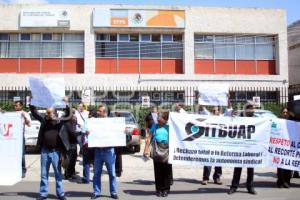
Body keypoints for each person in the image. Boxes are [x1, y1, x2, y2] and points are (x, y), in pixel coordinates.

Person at [30, 97, 70, 200]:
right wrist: (32, 102)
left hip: (56, 152)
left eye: (50, 113)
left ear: (55, 113)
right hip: (45, 152)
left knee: (58, 174)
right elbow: (35, 113)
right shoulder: (44, 121)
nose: (48, 115)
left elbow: (68, 115)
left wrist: (67, 103)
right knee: (44, 174)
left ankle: (60, 194)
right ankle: (43, 194)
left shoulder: (59, 122)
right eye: (47, 113)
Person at [228, 103, 257, 195]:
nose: (252, 111)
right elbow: (231, 121)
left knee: (250, 169)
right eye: (250, 109)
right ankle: (234, 187)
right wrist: (232, 116)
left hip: (251, 148)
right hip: (240, 147)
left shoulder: (257, 119)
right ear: (246, 110)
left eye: (253, 109)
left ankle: (250, 187)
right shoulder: (239, 117)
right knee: (238, 168)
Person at [91, 105, 118, 199]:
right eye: (98, 111)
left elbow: (117, 133)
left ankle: (113, 192)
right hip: (98, 151)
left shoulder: (112, 122)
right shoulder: (94, 122)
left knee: (112, 173)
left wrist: (122, 131)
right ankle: (96, 192)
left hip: (109, 151)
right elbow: (90, 133)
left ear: (105, 112)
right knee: (96, 173)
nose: (97, 112)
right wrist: (88, 132)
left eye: (99, 111)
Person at [143, 112, 172, 197]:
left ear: (165, 119)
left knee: (166, 170)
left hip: (167, 150)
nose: (158, 119)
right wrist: (146, 150)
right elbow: (149, 138)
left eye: (160, 118)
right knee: (158, 170)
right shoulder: (154, 126)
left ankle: (166, 189)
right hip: (156, 149)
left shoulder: (169, 127)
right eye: (158, 117)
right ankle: (159, 189)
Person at [201, 106, 222, 185]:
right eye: (212, 110)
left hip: (220, 143)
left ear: (219, 111)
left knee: (219, 161)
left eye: (215, 110)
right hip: (209, 142)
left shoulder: (223, 117)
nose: (213, 111)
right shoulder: (209, 116)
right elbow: (203, 108)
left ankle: (217, 178)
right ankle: (205, 178)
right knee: (208, 160)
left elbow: (230, 109)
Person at [14, 100, 31, 178]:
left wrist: (24, 117)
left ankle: (23, 170)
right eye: (15, 105)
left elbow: (29, 124)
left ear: (21, 106)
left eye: (17, 105)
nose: (16, 107)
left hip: (20, 136)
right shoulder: (12, 114)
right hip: (13, 137)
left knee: (21, 154)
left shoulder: (25, 113)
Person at [276, 107, 293, 188]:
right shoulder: (277, 121)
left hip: (289, 146)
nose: (285, 114)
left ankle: (287, 181)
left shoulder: (292, 121)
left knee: (288, 164)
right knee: (280, 165)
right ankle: (280, 181)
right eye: (284, 112)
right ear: (281, 113)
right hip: (280, 146)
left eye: (286, 112)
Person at [63, 109, 79, 180]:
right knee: (68, 159)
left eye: (74, 113)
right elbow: (72, 132)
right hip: (68, 143)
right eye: (72, 113)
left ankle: (72, 173)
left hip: (73, 142)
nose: (73, 115)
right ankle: (67, 174)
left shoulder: (74, 120)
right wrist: (80, 133)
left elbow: (75, 128)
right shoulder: (66, 121)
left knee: (74, 159)